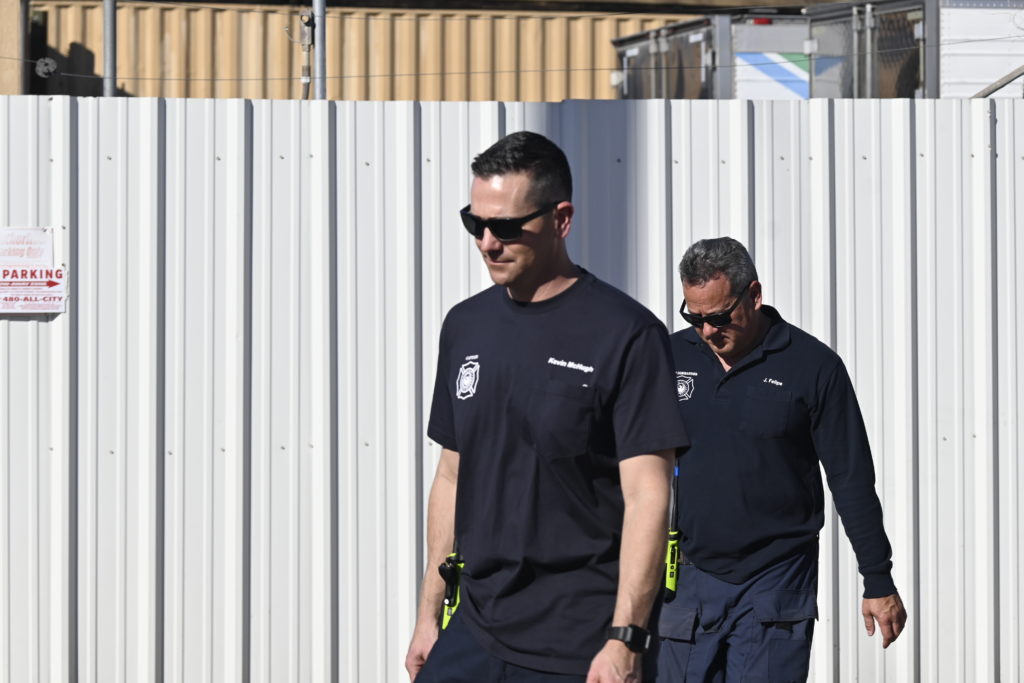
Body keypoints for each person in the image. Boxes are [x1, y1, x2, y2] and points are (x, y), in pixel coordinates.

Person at [404, 131, 690, 683]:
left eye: (507, 227)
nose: (488, 243)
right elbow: (452, 475)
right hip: (476, 630)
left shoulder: (626, 335)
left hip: (580, 644)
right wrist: (428, 616)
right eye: (475, 224)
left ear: (562, 219)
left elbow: (648, 496)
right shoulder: (465, 327)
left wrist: (626, 638)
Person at [659, 237, 907, 681]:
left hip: (776, 578)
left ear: (754, 295)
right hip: (689, 577)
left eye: (719, 317)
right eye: (694, 318)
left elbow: (850, 478)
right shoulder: (668, 357)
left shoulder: (813, 367)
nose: (708, 331)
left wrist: (878, 578)